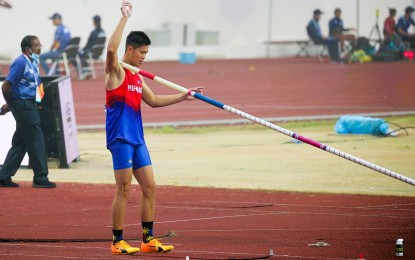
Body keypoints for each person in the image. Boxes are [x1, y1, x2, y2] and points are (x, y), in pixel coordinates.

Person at [105, 1, 202, 255]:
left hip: (137, 139)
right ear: (130, 49)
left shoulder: (136, 75)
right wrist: (124, 19)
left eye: (147, 54)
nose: (144, 58)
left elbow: (155, 101)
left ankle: (147, 239)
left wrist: (183, 96)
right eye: (142, 53)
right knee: (124, 188)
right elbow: (111, 50)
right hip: (120, 138)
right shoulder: (116, 72)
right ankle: (117, 242)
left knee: (150, 187)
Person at [0, 35, 56, 188]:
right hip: (23, 105)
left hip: (29, 104)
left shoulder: (32, 61)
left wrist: (37, 102)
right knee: (36, 139)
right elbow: (6, 86)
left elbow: (36, 84)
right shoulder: (20, 62)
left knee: (21, 142)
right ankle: (40, 177)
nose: (40, 48)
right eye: (37, 45)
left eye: (40, 45)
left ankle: (3, 176)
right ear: (27, 49)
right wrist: (10, 103)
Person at [76, 15, 106, 79]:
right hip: (98, 54)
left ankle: (84, 71)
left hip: (91, 54)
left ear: (94, 22)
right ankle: (86, 70)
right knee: (84, 53)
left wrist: (82, 49)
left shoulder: (93, 33)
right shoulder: (103, 32)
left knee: (79, 54)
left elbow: (88, 45)